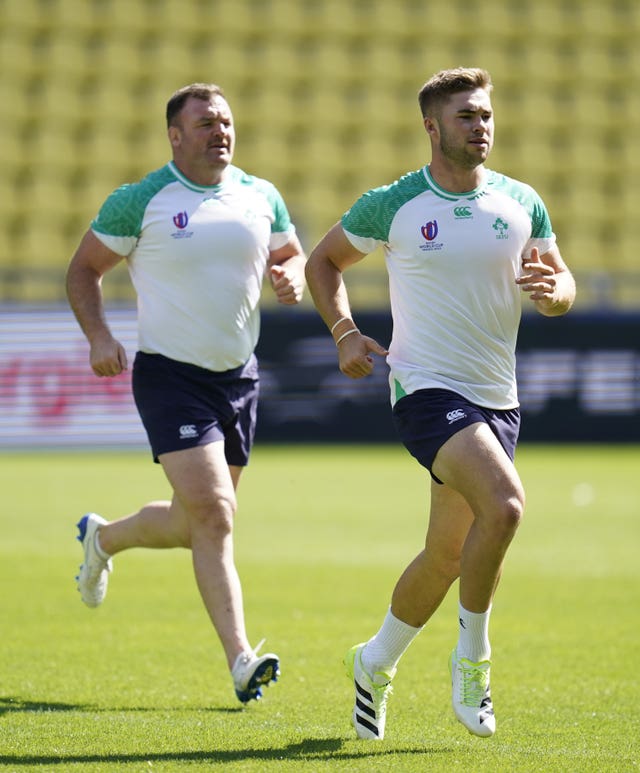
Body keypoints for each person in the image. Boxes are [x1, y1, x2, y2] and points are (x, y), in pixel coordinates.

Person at [305, 67, 576, 740]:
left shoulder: (521, 201)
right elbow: (323, 262)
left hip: (497, 399)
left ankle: (372, 662)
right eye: (465, 116)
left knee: (447, 556)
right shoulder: (393, 203)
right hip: (424, 388)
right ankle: (473, 662)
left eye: (485, 115)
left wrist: (554, 293)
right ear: (432, 127)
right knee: (507, 505)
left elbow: (560, 280)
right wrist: (344, 332)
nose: (481, 126)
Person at [66, 83, 306, 704]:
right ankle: (241, 661)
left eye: (225, 121)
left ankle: (104, 539)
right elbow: (82, 270)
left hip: (239, 378)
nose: (219, 131)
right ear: (175, 135)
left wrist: (293, 274)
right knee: (217, 517)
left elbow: (291, 252)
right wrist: (98, 336)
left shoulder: (261, 195)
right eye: (205, 123)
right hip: (171, 377)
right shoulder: (140, 200)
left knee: (193, 522)